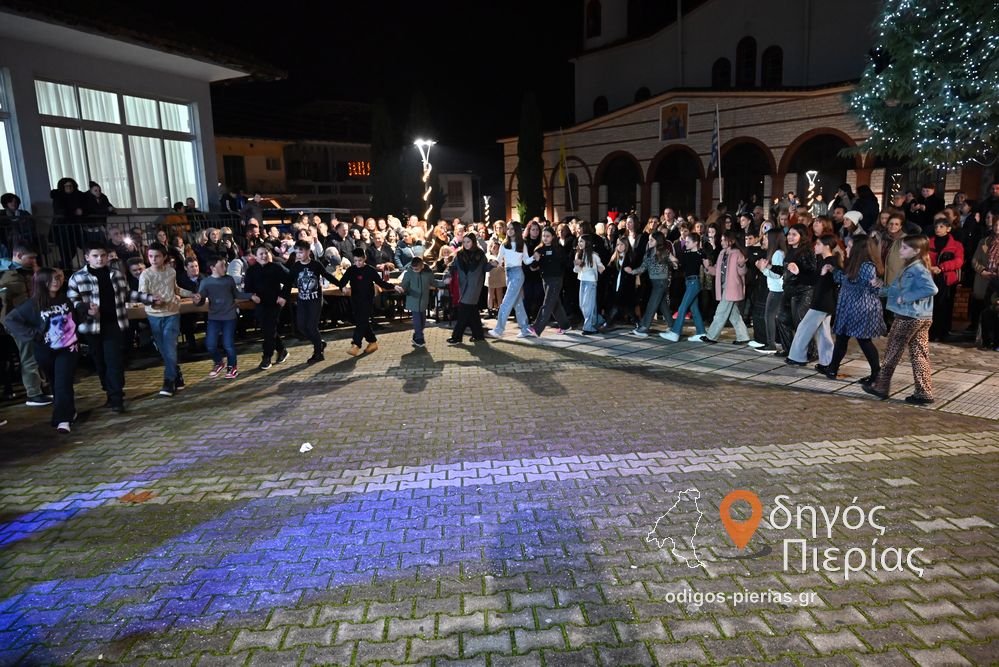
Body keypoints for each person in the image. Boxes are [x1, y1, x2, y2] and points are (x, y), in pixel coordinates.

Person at [864, 235, 938, 404]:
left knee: (893, 351)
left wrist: (906, 297)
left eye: (905, 248)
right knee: (919, 354)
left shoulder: (917, 268)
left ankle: (881, 387)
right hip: (920, 317)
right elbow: (897, 289)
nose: (900, 251)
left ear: (916, 251)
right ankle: (924, 393)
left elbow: (932, 289)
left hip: (908, 316)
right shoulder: (912, 267)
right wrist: (881, 287)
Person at [4, 268, 78, 433]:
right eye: (50, 279)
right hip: (45, 351)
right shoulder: (33, 304)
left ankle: (63, 419)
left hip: (68, 348)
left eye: (57, 278)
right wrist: (34, 334)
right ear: (41, 282)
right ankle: (69, 411)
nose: (55, 282)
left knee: (63, 382)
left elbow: (74, 319)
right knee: (56, 383)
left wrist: (87, 312)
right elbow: (10, 320)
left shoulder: (64, 299)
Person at [66, 243, 131, 412]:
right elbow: (72, 300)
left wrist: (149, 298)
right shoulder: (77, 277)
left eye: (103, 255)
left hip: (114, 324)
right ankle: (110, 392)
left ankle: (117, 397)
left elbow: (127, 294)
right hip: (91, 327)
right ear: (87, 257)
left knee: (114, 361)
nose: (100, 259)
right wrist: (86, 307)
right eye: (95, 256)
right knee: (100, 363)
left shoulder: (116, 274)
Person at [823, 236, 886, 382]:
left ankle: (877, 373)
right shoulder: (854, 263)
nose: (847, 248)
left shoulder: (867, 266)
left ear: (859, 249)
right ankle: (832, 369)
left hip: (861, 308)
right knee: (841, 338)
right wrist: (833, 270)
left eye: (850, 246)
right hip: (849, 307)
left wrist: (878, 283)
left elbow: (874, 288)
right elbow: (846, 280)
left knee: (864, 340)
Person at [0, 245, 51, 405]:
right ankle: (34, 393)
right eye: (30, 258)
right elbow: (4, 303)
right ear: (19, 255)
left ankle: (42, 387)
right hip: (17, 322)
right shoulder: (5, 274)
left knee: (37, 354)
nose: (33, 261)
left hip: (33, 319)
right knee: (29, 356)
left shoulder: (28, 272)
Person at [137, 243, 186, 396]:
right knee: (164, 349)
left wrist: (191, 293)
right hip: (154, 315)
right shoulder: (145, 274)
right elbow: (142, 295)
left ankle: (169, 381)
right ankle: (177, 374)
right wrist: (152, 300)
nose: (153, 259)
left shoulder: (171, 271)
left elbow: (175, 289)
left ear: (164, 257)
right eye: (150, 256)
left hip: (172, 313)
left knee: (170, 346)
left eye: (157, 256)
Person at [786, 235, 839, 368]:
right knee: (823, 332)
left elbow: (834, 281)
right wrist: (798, 273)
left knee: (804, 328)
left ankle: (797, 357)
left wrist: (830, 271)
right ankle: (827, 362)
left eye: (819, 244)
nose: (815, 246)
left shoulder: (832, 261)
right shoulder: (823, 260)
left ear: (827, 246)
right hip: (822, 301)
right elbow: (813, 280)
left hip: (823, 302)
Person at [330, 248, 396, 355]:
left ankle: (356, 344)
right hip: (355, 300)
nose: (358, 263)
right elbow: (342, 282)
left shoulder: (370, 270)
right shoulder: (351, 270)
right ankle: (372, 342)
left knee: (362, 321)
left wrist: (393, 287)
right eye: (355, 261)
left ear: (364, 258)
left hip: (367, 300)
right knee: (361, 322)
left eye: (360, 260)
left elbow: (381, 282)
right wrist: (343, 288)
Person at [192, 256, 248, 379]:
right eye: (222, 266)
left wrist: (250, 295)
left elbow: (236, 294)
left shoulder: (229, 279)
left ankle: (232, 367)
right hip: (214, 317)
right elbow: (200, 300)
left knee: (228, 344)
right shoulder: (206, 282)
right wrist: (197, 300)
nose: (225, 268)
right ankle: (219, 362)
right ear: (213, 268)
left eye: (225, 265)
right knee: (210, 344)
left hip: (229, 316)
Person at [283, 240, 338, 364]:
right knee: (302, 327)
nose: (298, 255)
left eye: (301, 252)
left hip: (315, 300)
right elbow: (288, 283)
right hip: (302, 301)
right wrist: (282, 296)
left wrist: (341, 284)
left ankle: (318, 353)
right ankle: (319, 343)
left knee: (312, 327)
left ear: (308, 251)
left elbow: (327, 275)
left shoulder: (316, 265)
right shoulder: (296, 267)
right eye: (297, 252)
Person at [244, 245, 291, 369]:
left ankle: (267, 357)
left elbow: (289, 281)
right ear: (255, 256)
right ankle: (282, 350)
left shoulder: (276, 267)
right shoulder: (251, 270)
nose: (264, 256)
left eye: (266, 253)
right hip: (260, 304)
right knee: (268, 330)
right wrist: (252, 296)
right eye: (261, 254)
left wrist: (283, 296)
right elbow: (247, 289)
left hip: (274, 303)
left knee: (269, 329)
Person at [701, 231, 752, 345]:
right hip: (724, 287)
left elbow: (742, 272)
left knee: (721, 311)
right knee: (734, 315)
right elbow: (717, 270)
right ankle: (743, 337)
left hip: (732, 287)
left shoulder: (737, 253)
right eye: (721, 240)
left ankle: (711, 336)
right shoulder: (722, 253)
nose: (722, 242)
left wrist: (741, 265)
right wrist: (708, 267)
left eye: (724, 240)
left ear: (731, 241)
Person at [444, 234, 495, 344]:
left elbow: (485, 267)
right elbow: (452, 266)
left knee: (463, 309)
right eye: (464, 242)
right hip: (463, 285)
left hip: (475, 285)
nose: (466, 244)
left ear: (473, 242)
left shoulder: (480, 254)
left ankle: (457, 337)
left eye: (468, 242)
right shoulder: (460, 254)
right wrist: (447, 276)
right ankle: (478, 335)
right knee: (472, 310)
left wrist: (492, 265)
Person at [487, 221, 535, 339]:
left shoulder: (521, 244)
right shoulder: (504, 244)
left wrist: (534, 257)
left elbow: (526, 261)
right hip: (507, 273)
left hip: (518, 274)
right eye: (508, 228)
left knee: (506, 302)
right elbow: (499, 260)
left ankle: (499, 329)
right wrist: (493, 262)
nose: (509, 230)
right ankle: (525, 329)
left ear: (517, 230)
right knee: (518, 303)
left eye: (512, 228)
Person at [628, 231, 677, 337]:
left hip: (661, 282)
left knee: (652, 304)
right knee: (662, 304)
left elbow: (675, 263)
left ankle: (644, 327)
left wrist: (674, 262)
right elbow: (643, 267)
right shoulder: (648, 253)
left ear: (658, 241)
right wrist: (632, 272)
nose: (649, 241)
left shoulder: (664, 252)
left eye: (651, 240)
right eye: (649, 239)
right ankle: (673, 326)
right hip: (655, 283)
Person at [526, 226, 572, 337]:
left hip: (556, 279)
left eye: (548, 236)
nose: (545, 238)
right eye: (543, 236)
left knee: (547, 303)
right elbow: (533, 267)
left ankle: (537, 328)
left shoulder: (559, 248)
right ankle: (565, 325)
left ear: (553, 237)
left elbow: (566, 263)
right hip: (545, 279)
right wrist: (536, 260)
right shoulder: (539, 249)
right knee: (554, 303)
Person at [661, 233, 706, 342]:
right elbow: (681, 267)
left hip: (694, 283)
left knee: (682, 308)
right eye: (686, 242)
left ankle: (675, 333)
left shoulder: (701, 254)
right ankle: (701, 333)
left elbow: (706, 265)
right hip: (688, 282)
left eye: (688, 242)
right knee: (694, 309)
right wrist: (673, 261)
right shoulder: (686, 253)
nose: (685, 244)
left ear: (695, 243)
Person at [927, 217, 964, 342]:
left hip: (946, 279)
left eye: (941, 226)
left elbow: (958, 261)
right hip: (930, 276)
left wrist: (941, 267)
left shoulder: (956, 245)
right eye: (936, 226)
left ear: (948, 229)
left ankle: (943, 332)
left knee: (945, 306)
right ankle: (930, 332)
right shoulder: (929, 242)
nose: (938, 229)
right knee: (930, 305)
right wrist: (930, 267)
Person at [755, 229, 788, 354]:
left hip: (776, 290)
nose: (764, 240)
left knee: (769, 316)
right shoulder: (778, 253)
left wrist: (762, 269)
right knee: (774, 316)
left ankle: (771, 344)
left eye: (767, 238)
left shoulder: (777, 254)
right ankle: (777, 342)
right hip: (777, 289)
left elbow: (777, 274)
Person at [396, 256, 433, 347]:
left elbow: (434, 282)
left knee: (423, 321)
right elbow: (404, 285)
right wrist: (402, 289)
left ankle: (416, 336)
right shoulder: (408, 273)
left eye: (417, 269)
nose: (415, 271)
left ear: (422, 266)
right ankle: (420, 338)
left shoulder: (428, 273)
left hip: (423, 301)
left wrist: (444, 282)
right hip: (413, 301)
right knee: (417, 321)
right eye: (413, 269)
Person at [574, 234, 605, 335]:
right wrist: (577, 265)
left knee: (588, 306)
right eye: (579, 241)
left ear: (587, 242)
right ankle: (599, 320)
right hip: (582, 281)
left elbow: (601, 267)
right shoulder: (578, 254)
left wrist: (599, 269)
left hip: (591, 282)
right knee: (583, 305)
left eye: (581, 241)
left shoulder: (594, 255)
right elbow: (576, 270)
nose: (579, 243)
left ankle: (589, 328)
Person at [485, 237, 506, 317]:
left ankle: (500, 310)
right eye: (493, 247)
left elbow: (503, 265)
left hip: (500, 276)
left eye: (497, 248)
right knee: (490, 293)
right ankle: (490, 309)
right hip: (491, 277)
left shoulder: (501, 257)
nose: (495, 249)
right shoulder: (487, 256)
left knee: (499, 293)